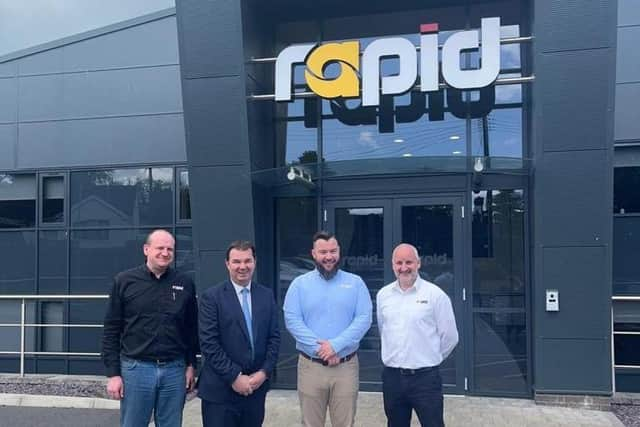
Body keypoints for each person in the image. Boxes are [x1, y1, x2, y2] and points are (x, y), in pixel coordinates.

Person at [102, 229, 199, 427]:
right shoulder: (124, 281)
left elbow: (190, 329)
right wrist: (113, 374)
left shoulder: (185, 283)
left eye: (169, 249)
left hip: (175, 370)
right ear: (146, 249)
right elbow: (112, 329)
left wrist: (191, 365)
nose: (165, 253)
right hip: (136, 370)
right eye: (160, 248)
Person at [283, 231, 372, 427]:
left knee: (345, 424)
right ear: (313, 254)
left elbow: (364, 319)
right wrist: (322, 350)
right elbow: (292, 320)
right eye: (323, 252)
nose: (329, 256)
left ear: (339, 252)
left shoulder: (355, 283)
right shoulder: (299, 285)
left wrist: (335, 346)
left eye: (333, 251)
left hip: (346, 367)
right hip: (310, 367)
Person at [197, 240, 280, 427]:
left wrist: (264, 372)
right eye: (236, 262)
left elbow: (274, 338)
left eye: (247, 261)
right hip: (220, 392)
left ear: (255, 262)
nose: (242, 267)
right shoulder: (212, 297)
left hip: (255, 390)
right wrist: (235, 377)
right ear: (227, 264)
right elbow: (209, 344)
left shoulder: (266, 295)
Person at [376, 243, 459, 427]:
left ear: (418, 263)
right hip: (393, 378)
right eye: (399, 263)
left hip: (426, 380)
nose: (404, 268)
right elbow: (384, 330)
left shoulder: (436, 295)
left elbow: (450, 337)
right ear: (392, 265)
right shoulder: (383, 295)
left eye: (409, 262)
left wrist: (430, 357)